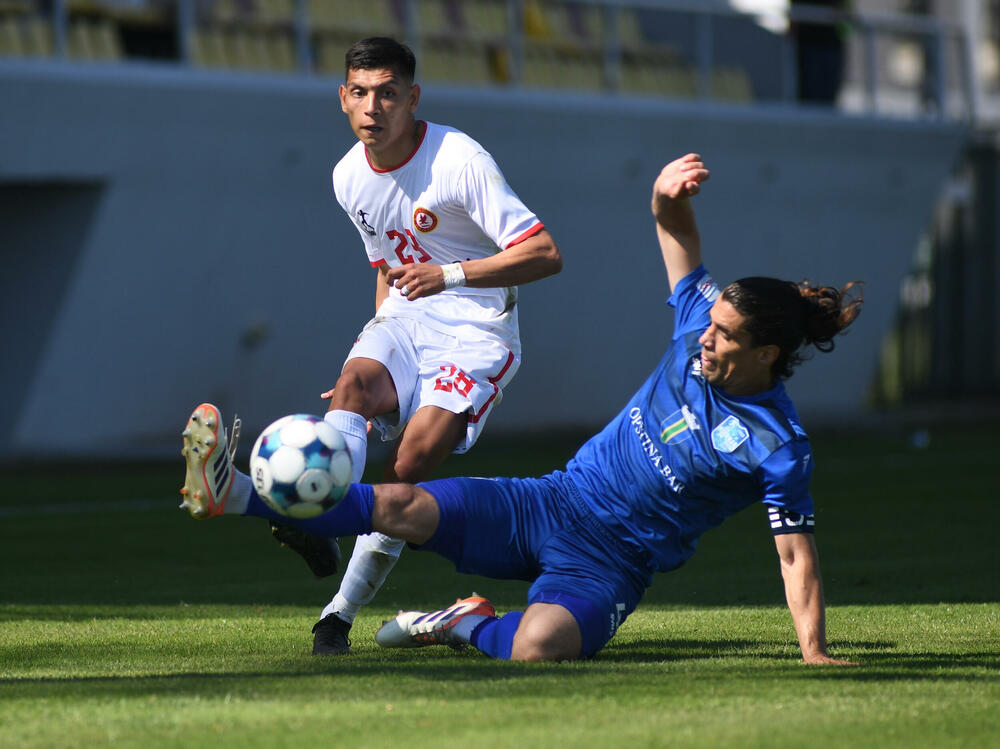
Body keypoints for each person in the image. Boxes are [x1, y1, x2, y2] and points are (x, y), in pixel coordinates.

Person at [180, 152, 861, 664]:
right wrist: (663, 193)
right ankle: (231, 490)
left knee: (537, 647)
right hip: (554, 500)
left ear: (767, 353)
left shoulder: (779, 443)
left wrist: (813, 649)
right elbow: (678, 238)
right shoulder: (694, 324)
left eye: (725, 335)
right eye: (708, 324)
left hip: (613, 563)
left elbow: (795, 553)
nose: (705, 337)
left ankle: (459, 621)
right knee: (400, 504)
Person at [180, 37, 562, 656]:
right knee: (354, 387)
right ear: (342, 98)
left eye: (387, 94)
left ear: (412, 98)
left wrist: (452, 274)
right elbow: (387, 265)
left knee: (409, 468)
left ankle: (338, 612)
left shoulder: (459, 159)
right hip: (408, 317)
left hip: (475, 331)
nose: (372, 108)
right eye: (360, 93)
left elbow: (545, 255)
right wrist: (377, 352)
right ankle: (315, 525)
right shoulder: (347, 176)